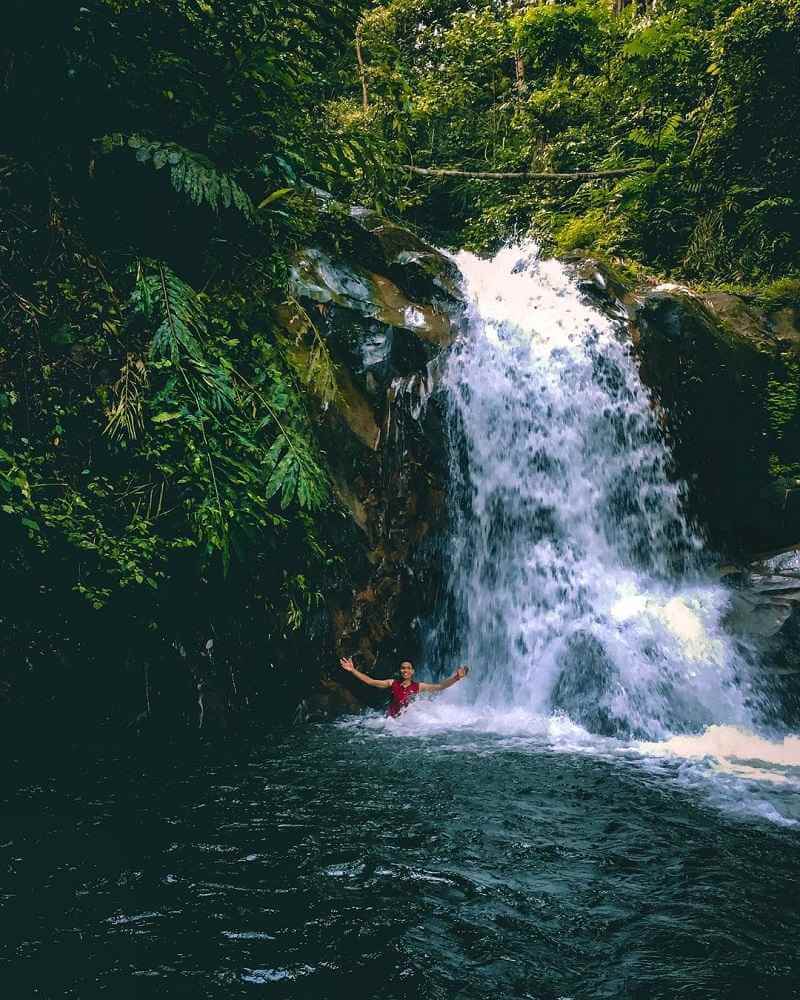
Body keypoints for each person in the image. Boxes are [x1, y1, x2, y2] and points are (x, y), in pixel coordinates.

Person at [339, 656, 469, 718]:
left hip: (406, 726)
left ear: (412, 671)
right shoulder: (392, 683)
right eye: (402, 668)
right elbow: (371, 681)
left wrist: (456, 678)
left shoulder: (419, 686)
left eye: (408, 668)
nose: (405, 670)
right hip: (391, 723)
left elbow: (440, 686)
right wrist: (352, 670)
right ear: (400, 671)